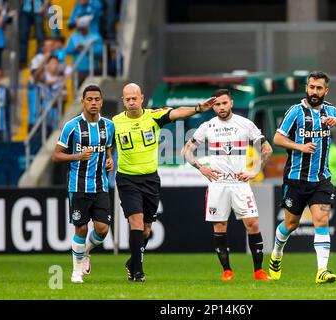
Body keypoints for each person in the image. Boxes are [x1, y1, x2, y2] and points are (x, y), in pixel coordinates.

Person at [112, 83, 216, 282]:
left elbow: (176, 113)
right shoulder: (114, 123)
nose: (132, 102)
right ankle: (138, 272)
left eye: (135, 98)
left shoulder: (153, 116)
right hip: (127, 179)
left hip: (150, 179)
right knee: (136, 220)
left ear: (142, 98)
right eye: (128, 99)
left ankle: (132, 261)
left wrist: (197, 109)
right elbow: (107, 142)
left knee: (147, 230)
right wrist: (109, 157)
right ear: (123, 101)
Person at [268, 71, 336, 284]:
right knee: (291, 224)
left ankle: (322, 271)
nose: (314, 92)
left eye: (319, 88)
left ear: (326, 90)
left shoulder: (331, 111)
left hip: (321, 180)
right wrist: (300, 146)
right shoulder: (295, 112)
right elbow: (277, 138)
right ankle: (276, 254)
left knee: (321, 219)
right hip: (296, 179)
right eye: (311, 87)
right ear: (306, 88)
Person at [182, 89, 273, 281]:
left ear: (231, 103)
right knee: (220, 227)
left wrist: (255, 170)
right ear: (213, 106)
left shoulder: (245, 124)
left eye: (224, 103)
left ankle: (258, 272)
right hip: (218, 183)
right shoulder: (207, 126)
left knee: (253, 223)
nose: (221, 107)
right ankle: (227, 271)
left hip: (240, 183)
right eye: (217, 104)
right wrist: (201, 167)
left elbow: (267, 148)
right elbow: (187, 150)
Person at [51, 84, 115, 284]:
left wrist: (109, 159)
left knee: (103, 229)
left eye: (97, 99)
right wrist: (78, 155)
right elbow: (56, 156)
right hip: (78, 186)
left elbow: (107, 147)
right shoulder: (72, 126)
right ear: (83, 102)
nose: (93, 103)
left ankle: (84, 251)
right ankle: (76, 271)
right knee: (81, 228)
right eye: (90, 99)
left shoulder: (108, 126)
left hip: (100, 185)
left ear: (102, 102)